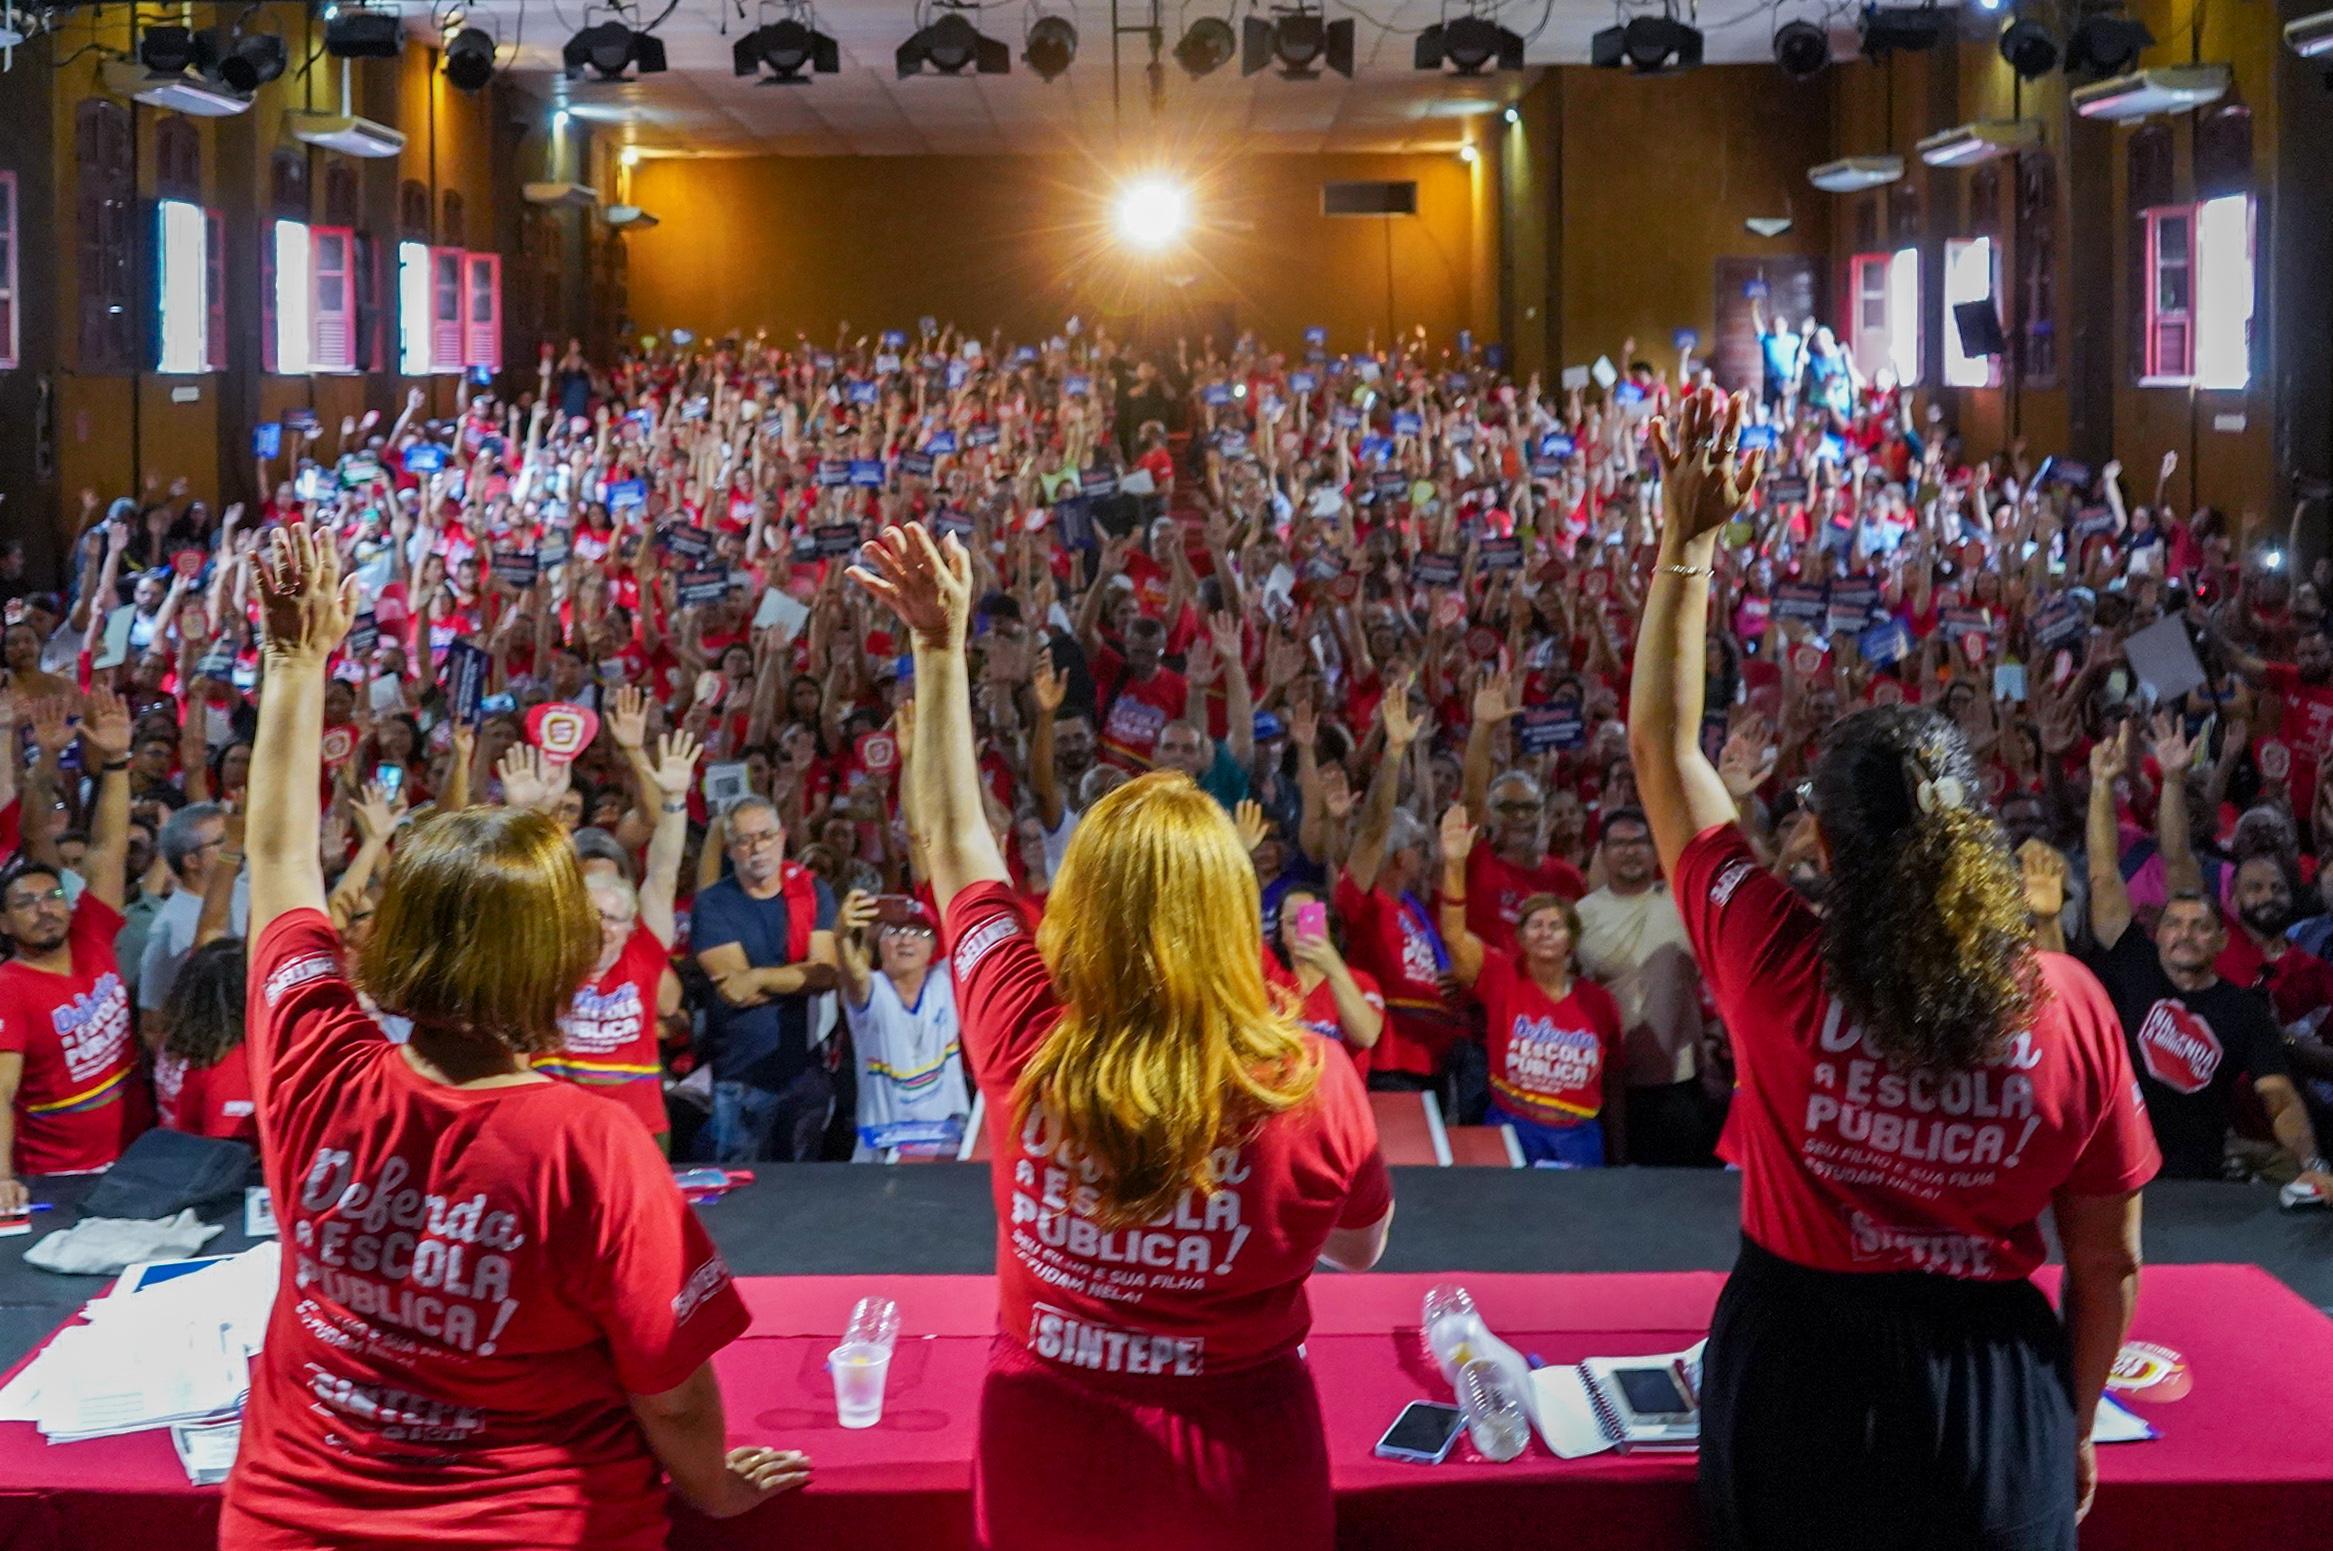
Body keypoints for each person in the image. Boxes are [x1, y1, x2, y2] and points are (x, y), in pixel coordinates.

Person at [1631, 386, 2159, 1549]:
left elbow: (1665, 751)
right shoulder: (2066, 1005)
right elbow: (2107, 1262)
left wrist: (1688, 541)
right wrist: (2065, 1427)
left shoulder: (1770, 960)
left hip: (1794, 1382)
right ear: (1975, 834)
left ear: (1821, 847)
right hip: (1990, 1401)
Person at [223, 522, 807, 1548]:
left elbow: (277, 860)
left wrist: (294, 659)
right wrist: (715, 1488)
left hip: (291, 1522)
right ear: (556, 963)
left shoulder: (314, 1057)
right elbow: (671, 1393)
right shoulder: (590, 1148)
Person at [851, 522, 1392, 1551]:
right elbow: (1360, 1250)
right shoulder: (1305, 1078)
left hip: (1048, 1458)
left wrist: (937, 646)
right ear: (1230, 910)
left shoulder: (1019, 1029)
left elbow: (954, 842)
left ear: (1082, 904)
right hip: (1245, 1466)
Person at [2083, 721, 2333, 1187]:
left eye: (2200, 927)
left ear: (2221, 941)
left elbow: (2279, 1098)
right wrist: (2100, 785)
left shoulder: (2243, 1012)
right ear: (2157, 933)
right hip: (2118, 1171)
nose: (2185, 935)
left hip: (2197, 1183)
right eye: (2174, 925)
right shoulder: (2135, 961)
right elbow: (2101, 874)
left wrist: (2311, 1163)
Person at [0, 688, 149, 1205]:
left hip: (137, 1158)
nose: (45, 909)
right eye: (26, 903)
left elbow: (108, 848)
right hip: (61, 1180)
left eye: (53, 897)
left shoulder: (90, 932)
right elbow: (2, 1091)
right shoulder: (8, 987)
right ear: (4, 923)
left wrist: (117, 762)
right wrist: (1, 1179)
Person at [542, 703, 700, 1151]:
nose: (602, 928)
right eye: (590, 914)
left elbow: (664, 871)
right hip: (557, 1127)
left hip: (637, 1130)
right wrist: (533, 806)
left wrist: (673, 800)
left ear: (630, 923)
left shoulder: (642, 949)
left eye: (612, 917)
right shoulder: (547, 949)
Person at [1437, 805, 1625, 1165]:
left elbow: (1613, 1083)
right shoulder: (1501, 977)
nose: (1545, 932)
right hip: (1512, 1128)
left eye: (1555, 926)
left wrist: (1619, 1151)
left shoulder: (1600, 1004)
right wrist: (1454, 864)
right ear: (1520, 937)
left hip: (1579, 1138)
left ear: (1572, 939)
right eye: (1535, 925)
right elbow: (1454, 935)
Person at [691, 793, 841, 1162]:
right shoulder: (712, 903)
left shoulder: (813, 891)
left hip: (806, 1071)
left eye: (765, 836)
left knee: (803, 1189)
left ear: (782, 836)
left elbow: (825, 974)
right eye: (744, 840)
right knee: (741, 1186)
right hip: (741, 1074)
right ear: (730, 849)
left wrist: (757, 976)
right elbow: (736, 991)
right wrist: (798, 979)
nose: (757, 848)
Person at [1574, 807, 1713, 1166]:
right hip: (1609, 1085)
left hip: (1679, 1081)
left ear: (1655, 850)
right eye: (1619, 844)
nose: (1630, 851)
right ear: (1602, 852)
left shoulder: (1684, 901)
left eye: (1640, 842)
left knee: (1681, 1188)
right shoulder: (1579, 916)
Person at [833, 888, 969, 1158]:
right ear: (878, 942)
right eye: (894, 932)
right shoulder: (872, 990)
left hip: (945, 1146)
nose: (906, 940)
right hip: (882, 1150)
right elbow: (855, 976)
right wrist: (842, 938)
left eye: (918, 933)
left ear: (933, 946)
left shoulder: (945, 982)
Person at [137, 799, 248, 1013]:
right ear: (192, 861)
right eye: (223, 841)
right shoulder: (169, 930)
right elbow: (152, 1014)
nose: (237, 847)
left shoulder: (246, 890)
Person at [154, 937, 257, 1142]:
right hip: (203, 1158)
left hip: (172, 1148)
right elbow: (228, 1149)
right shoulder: (229, 1067)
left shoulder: (177, 1036)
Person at [1272, 886, 1385, 1069]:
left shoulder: (1361, 982)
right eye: (1292, 922)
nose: (1301, 930)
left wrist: (1334, 969)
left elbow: (1367, 1036)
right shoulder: (1271, 978)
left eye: (1310, 920)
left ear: (1328, 926)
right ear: (1281, 932)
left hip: (1339, 1084)